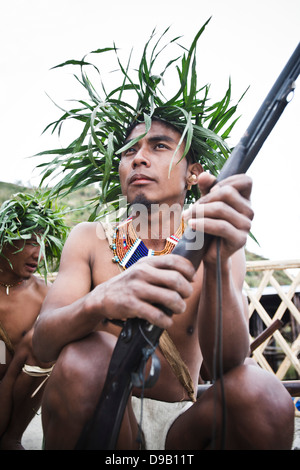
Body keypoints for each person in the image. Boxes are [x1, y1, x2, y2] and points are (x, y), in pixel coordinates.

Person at [32, 25, 294, 450]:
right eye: (129, 151)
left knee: (262, 394)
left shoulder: (216, 235)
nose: (138, 158)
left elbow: (227, 364)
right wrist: (101, 300)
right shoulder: (88, 239)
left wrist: (215, 264)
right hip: (97, 413)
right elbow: (43, 341)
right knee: (85, 357)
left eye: (158, 146)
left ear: (193, 173)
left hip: (183, 428)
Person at [0, 192, 68, 449]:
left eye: (41, 244)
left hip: (18, 399)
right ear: (4, 239)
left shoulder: (46, 295)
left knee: (40, 345)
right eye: (28, 242)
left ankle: (11, 438)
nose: (36, 255)